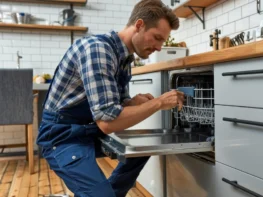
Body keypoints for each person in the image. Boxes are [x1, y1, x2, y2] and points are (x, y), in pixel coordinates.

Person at [36, 0, 184, 196]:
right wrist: (159, 103)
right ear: (139, 25)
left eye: (162, 41)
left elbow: (113, 107)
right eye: (156, 38)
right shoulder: (98, 50)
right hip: (62, 136)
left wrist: (131, 103)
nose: (158, 47)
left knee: (144, 147)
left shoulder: (124, 58)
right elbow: (107, 122)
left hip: (87, 129)